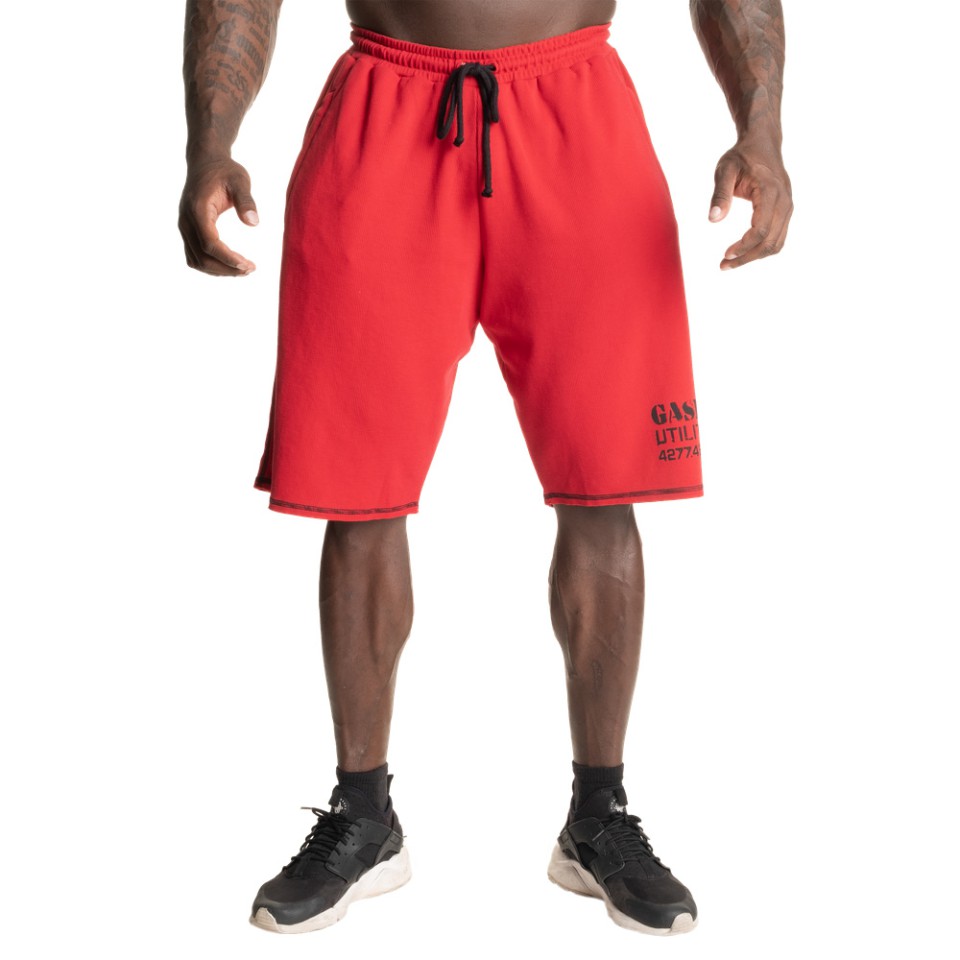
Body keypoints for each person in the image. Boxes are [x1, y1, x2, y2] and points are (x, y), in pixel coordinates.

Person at [178, 0, 791, 937]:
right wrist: (209, 143)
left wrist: (762, 130)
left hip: (578, 112)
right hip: (384, 109)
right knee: (358, 495)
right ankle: (363, 816)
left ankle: (599, 815)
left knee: (604, 487)